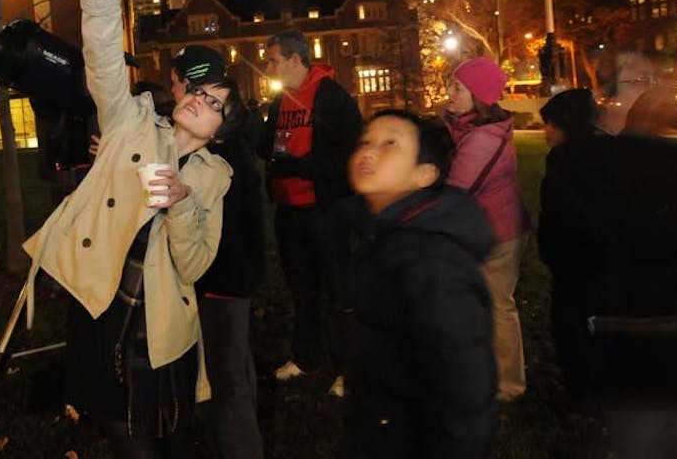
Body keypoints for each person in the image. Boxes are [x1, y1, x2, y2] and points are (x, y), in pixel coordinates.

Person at [21, 0, 245, 459]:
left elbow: (195, 267)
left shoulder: (213, 180)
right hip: (100, 305)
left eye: (218, 103)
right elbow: (100, 53)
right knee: (119, 431)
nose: (203, 100)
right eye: (201, 90)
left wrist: (179, 207)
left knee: (161, 431)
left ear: (221, 128)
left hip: (161, 326)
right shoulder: (132, 122)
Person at [540, 85, 677, 455]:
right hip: (643, 321)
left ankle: (587, 399)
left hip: (622, 305)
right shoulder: (623, 160)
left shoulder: (579, 165)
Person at [337, 110, 497, 458]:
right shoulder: (383, 238)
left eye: (390, 144)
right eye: (366, 142)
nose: (368, 152)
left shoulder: (430, 260)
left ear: (425, 174)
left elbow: (463, 395)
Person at [170, 45, 267, 459]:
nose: (175, 93)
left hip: (220, 282)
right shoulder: (225, 141)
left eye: (176, 83)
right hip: (229, 278)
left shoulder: (218, 151)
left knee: (225, 383)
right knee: (231, 376)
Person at [259, 29, 363, 395]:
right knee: (301, 289)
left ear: (295, 60)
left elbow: (353, 152)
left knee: (339, 292)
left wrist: (303, 167)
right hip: (289, 213)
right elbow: (268, 144)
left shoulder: (331, 97)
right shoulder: (280, 101)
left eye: (272, 59)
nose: (267, 65)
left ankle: (350, 368)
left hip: (325, 210)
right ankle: (306, 357)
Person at [443, 57, 529, 401]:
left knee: (497, 306)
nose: (448, 92)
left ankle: (509, 385)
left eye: (457, 87)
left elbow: (455, 190)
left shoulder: (484, 139)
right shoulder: (466, 126)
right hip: (479, 231)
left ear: (477, 94)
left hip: (498, 234)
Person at [536, 88, 605, 410]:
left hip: (574, 261)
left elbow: (560, 215)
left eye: (549, 124)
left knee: (572, 326)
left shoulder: (565, 162)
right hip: (598, 260)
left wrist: (553, 251)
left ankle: (584, 393)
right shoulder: (605, 151)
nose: (545, 131)